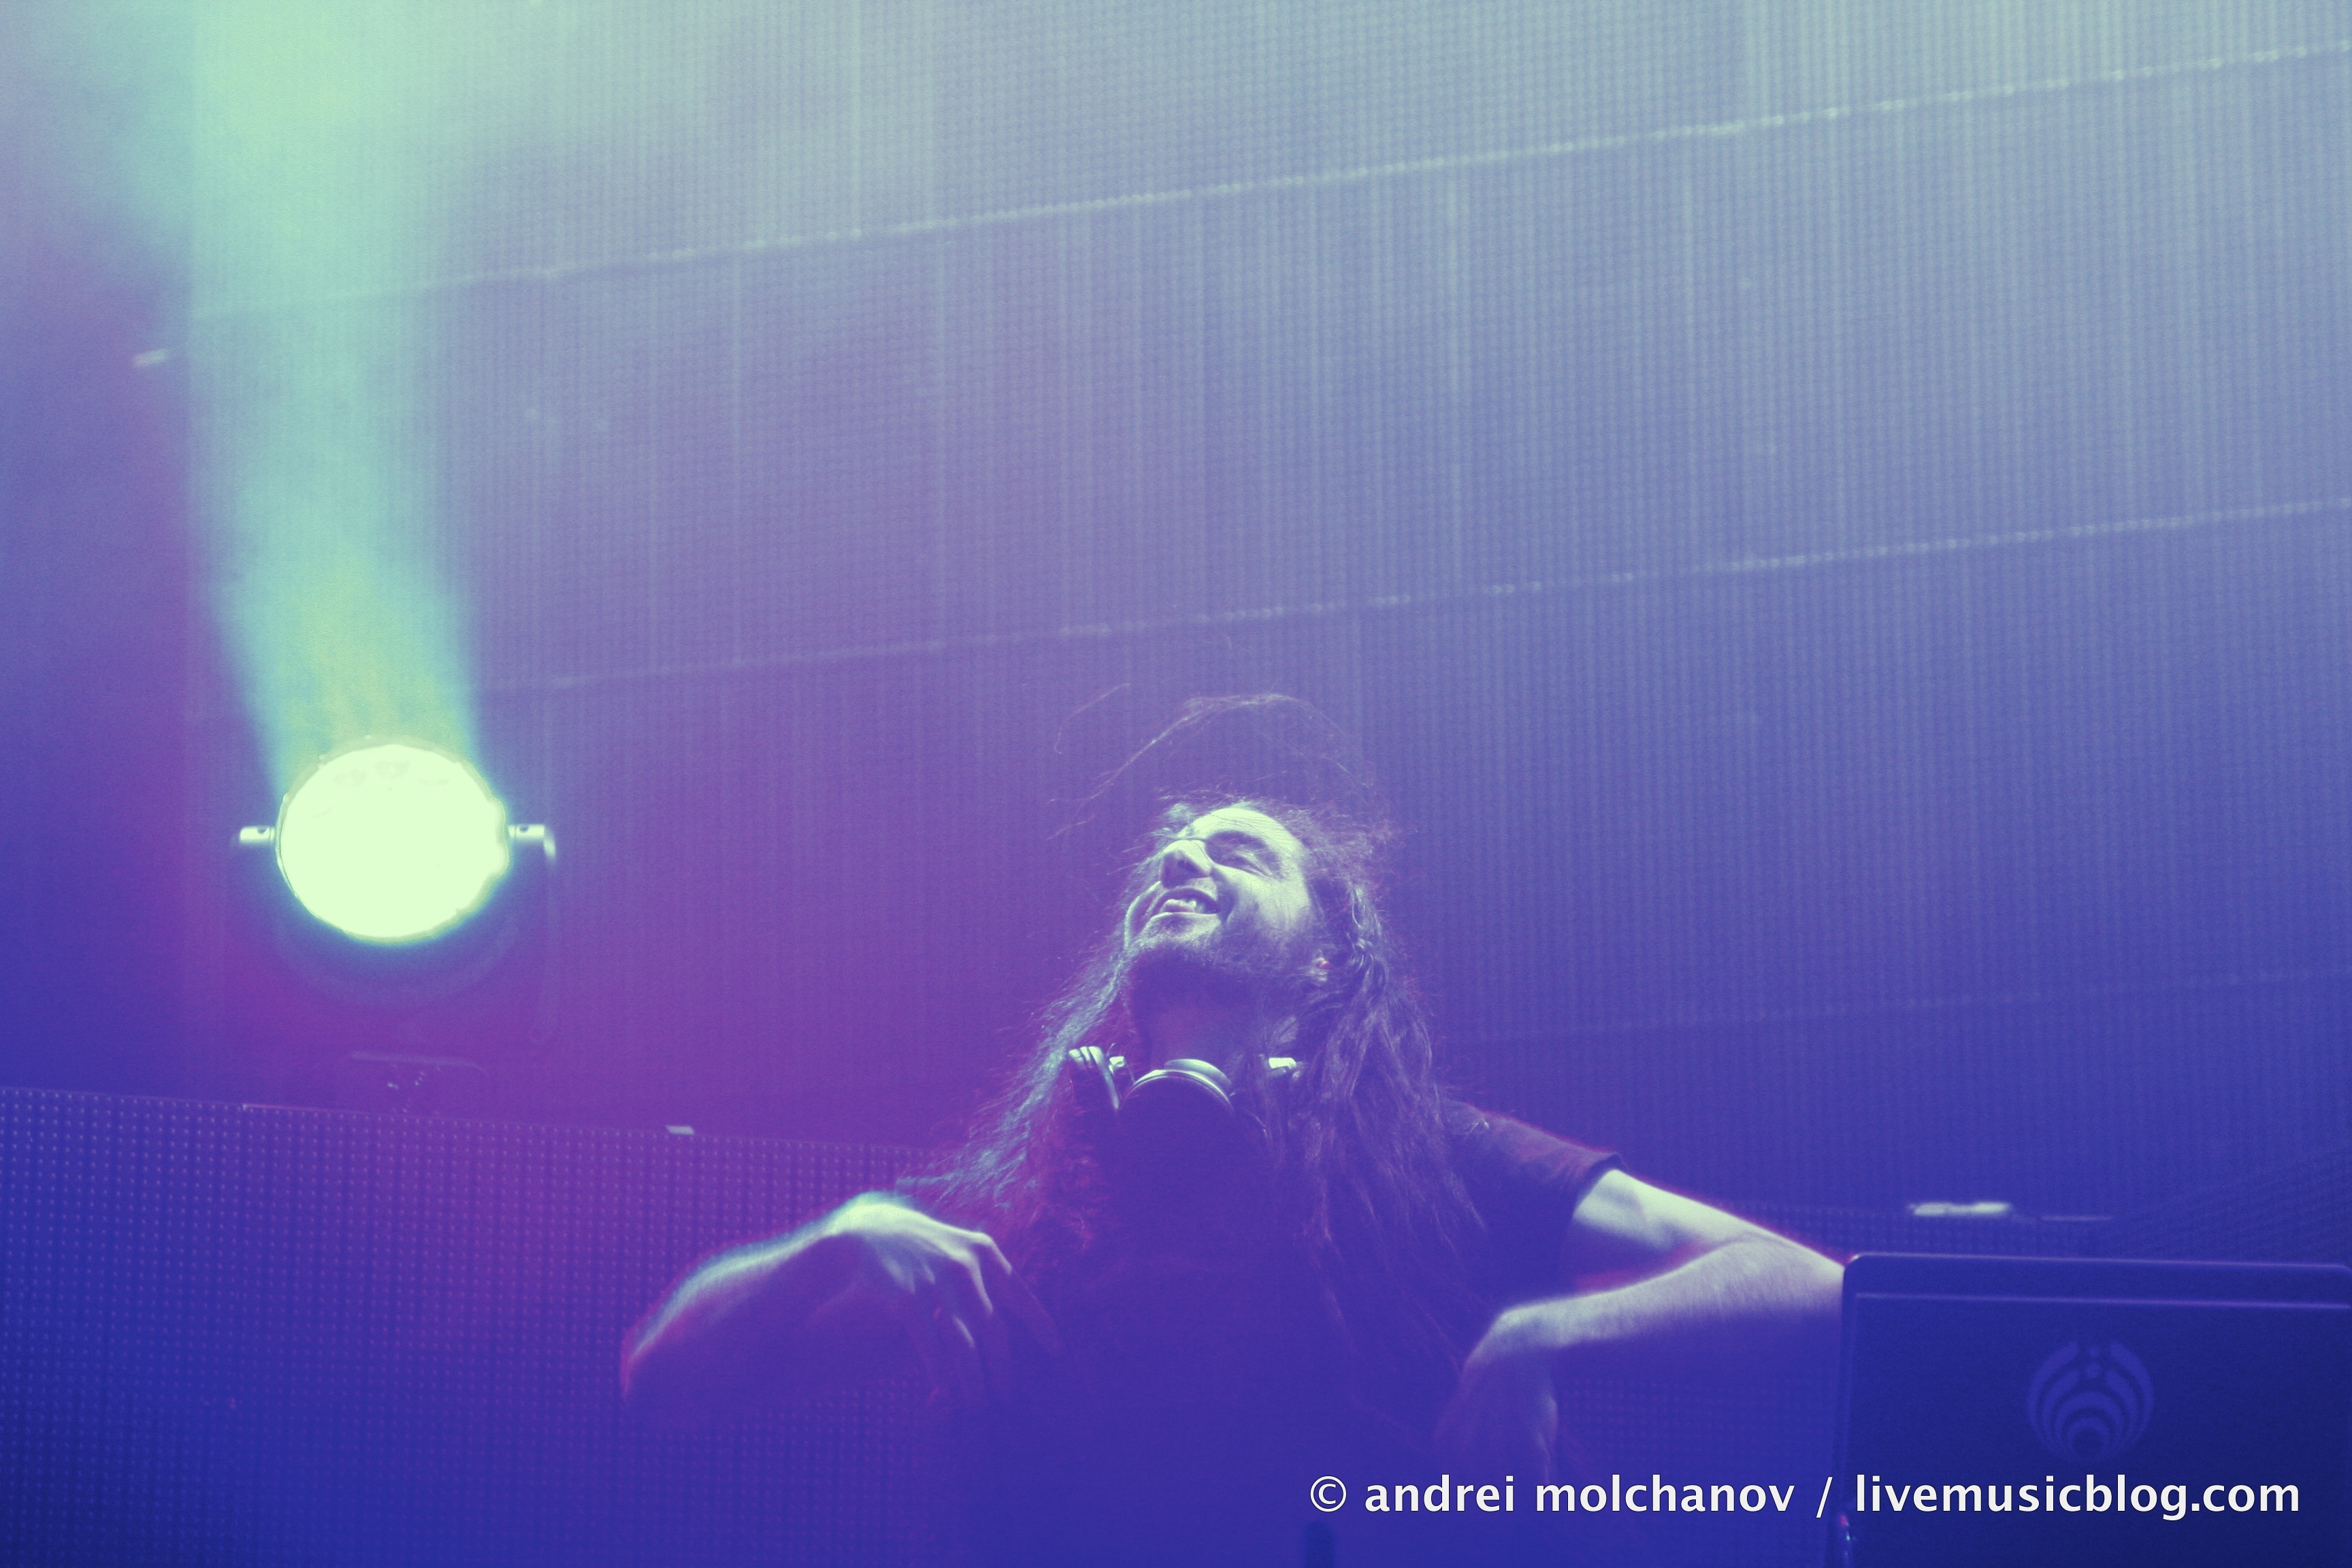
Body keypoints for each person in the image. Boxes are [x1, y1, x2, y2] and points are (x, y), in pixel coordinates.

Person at [623, 787, 1843, 1565]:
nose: (1180, 866)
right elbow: (661, 1379)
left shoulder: (1429, 1159)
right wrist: (837, 1240)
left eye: (1237, 854)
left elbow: (1803, 1281)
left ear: (1326, 960)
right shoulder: (1021, 1205)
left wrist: (1549, 1332)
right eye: (1167, 859)